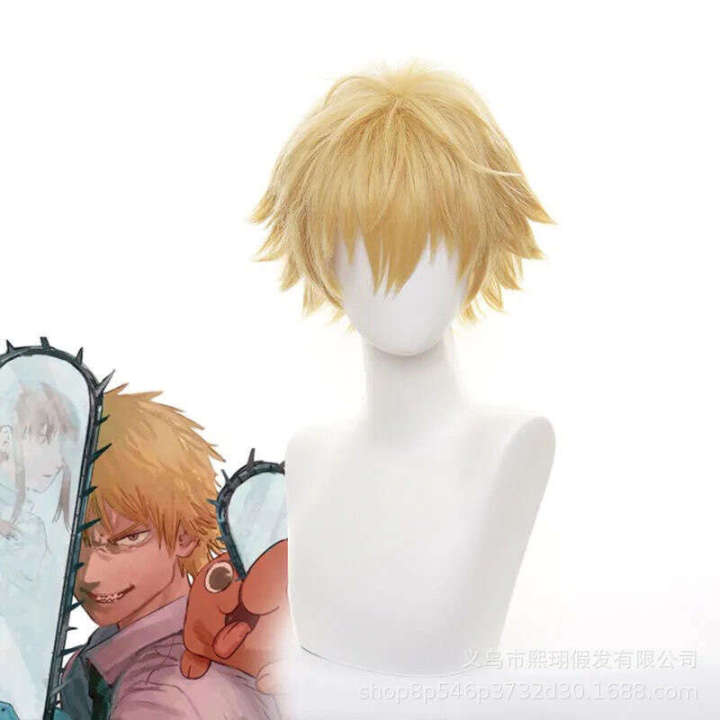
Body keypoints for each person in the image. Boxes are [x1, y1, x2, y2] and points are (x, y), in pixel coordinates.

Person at [60, 385, 281, 720]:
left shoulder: (166, 690)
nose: (90, 573)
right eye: (77, 539)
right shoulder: (108, 648)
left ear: (185, 535)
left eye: (128, 538)